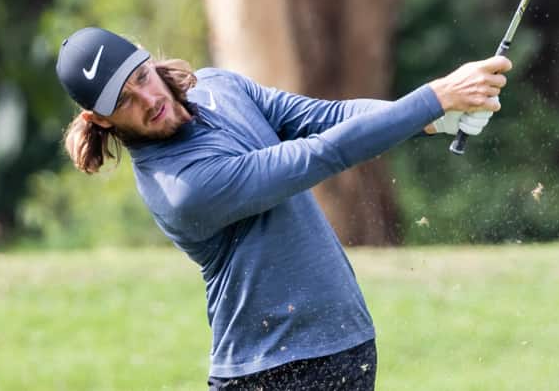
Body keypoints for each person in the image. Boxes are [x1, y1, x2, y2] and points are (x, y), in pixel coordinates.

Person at [56, 26, 511, 390]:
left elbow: (322, 118)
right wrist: (434, 97)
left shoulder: (219, 86)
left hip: (347, 346)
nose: (148, 100)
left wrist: (431, 120)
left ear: (145, 58)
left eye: (141, 78)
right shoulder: (179, 186)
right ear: (100, 120)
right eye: (123, 102)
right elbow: (316, 155)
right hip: (270, 373)